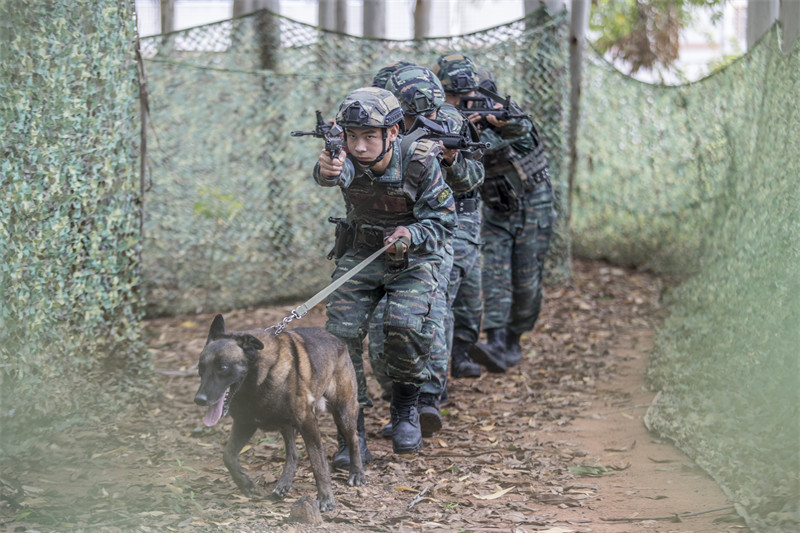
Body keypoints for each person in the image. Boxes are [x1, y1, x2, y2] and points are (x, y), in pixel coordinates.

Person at [313, 87, 457, 461]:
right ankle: (351, 432)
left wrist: (413, 233)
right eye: (352, 136)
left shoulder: (420, 161)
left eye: (370, 137)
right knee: (340, 337)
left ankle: (406, 406)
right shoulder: (346, 156)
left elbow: (444, 221)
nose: (359, 147)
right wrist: (326, 168)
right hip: (363, 252)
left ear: (393, 132)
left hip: (415, 257)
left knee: (405, 325)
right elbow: (334, 172)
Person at [367, 64, 486, 440]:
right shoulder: (382, 127)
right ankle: (402, 399)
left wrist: (448, 158)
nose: (428, 118)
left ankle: (428, 396)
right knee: (384, 321)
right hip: (391, 230)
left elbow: (472, 178)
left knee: (434, 307)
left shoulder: (448, 122)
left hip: (443, 225)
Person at [467, 64, 556, 367]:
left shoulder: (508, 116)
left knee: (527, 280)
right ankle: (496, 342)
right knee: (494, 274)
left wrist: (499, 120)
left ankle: (514, 338)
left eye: (474, 98)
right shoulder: (453, 121)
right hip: (496, 207)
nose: (469, 105)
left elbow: (520, 126)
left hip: (534, 203)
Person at [432, 53, 509, 374]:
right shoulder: (427, 117)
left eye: (464, 97)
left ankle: (461, 356)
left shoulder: (479, 114)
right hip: (440, 216)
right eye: (451, 96)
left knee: (470, 296)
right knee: (445, 295)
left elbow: (498, 148)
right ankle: (435, 377)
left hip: (469, 216)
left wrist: (485, 126)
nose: (458, 102)